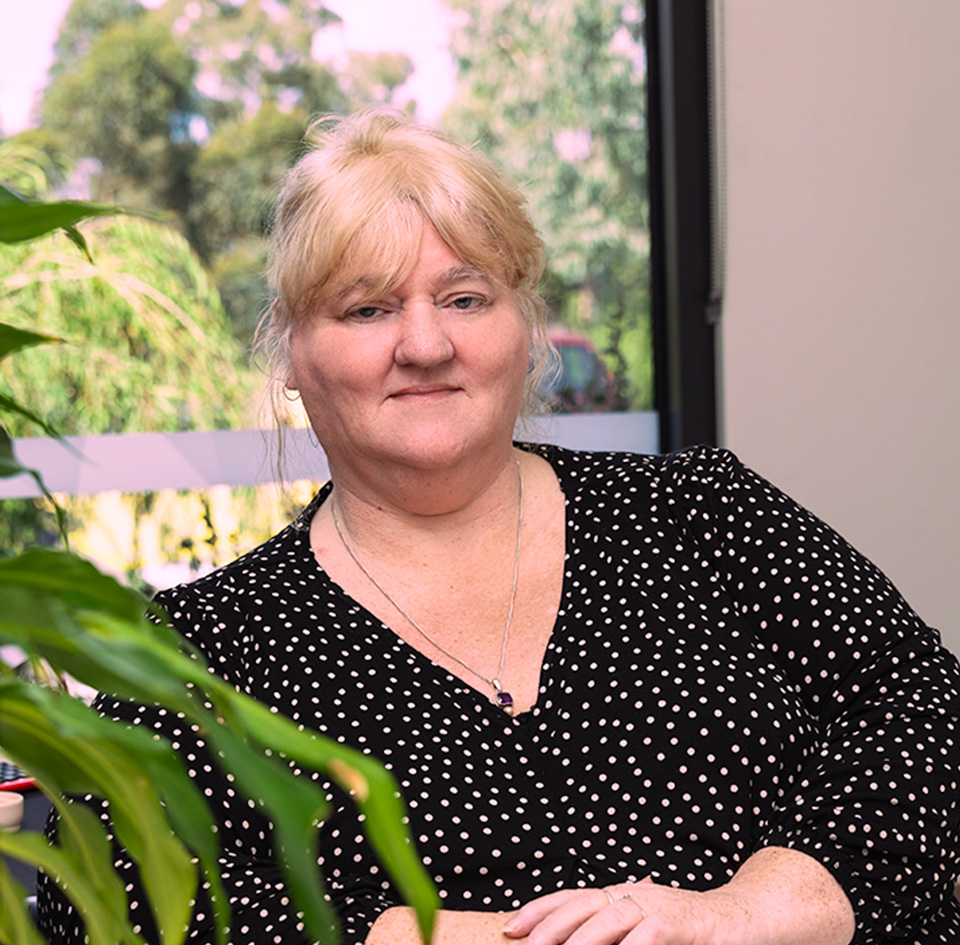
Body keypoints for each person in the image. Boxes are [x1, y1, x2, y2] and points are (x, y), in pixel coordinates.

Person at [39, 109, 959, 945]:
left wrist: (746, 914)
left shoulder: (709, 516)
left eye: (466, 297)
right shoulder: (199, 653)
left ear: (526, 325)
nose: (427, 344)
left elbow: (927, 713)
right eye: (366, 308)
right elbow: (101, 902)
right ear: (291, 351)